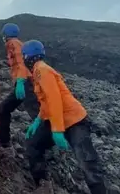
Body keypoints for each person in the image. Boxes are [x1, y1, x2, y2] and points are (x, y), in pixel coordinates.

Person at [21, 40, 107, 194]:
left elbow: (54, 100)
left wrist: (57, 130)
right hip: (57, 119)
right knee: (33, 144)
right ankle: (43, 185)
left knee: (86, 161)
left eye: (24, 56)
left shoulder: (42, 71)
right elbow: (46, 102)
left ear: (28, 56)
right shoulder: (37, 71)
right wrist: (38, 120)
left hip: (74, 121)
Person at [0, 23, 40, 153]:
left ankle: (43, 143)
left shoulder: (13, 43)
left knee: (36, 114)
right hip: (23, 83)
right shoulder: (17, 43)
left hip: (25, 83)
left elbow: (21, 63)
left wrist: (20, 80)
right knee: (4, 108)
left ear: (6, 34)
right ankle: (4, 141)